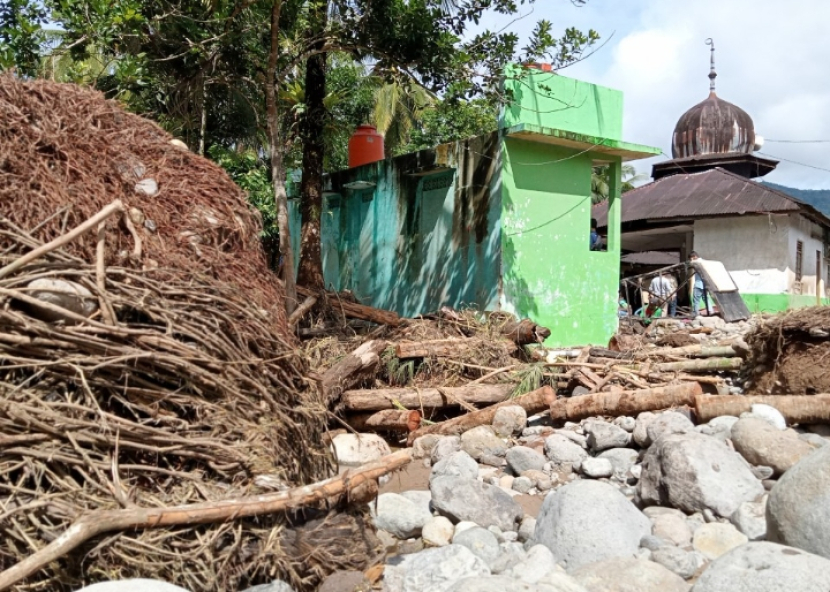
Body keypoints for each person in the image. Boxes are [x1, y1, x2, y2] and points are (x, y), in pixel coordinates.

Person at [690, 251, 708, 317]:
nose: (690, 259)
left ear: (695, 257)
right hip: (705, 285)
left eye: (691, 258)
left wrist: (692, 260)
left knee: (696, 300)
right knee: (705, 298)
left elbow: (690, 263)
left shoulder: (697, 262)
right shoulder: (704, 262)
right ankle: (710, 311)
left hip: (698, 284)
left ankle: (696, 313)